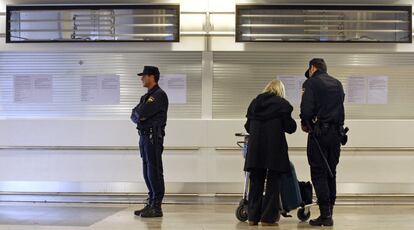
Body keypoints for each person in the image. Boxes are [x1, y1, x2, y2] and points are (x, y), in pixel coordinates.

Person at [244, 80, 297, 226]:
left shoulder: (254, 103)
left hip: (256, 150)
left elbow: (248, 127)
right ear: (280, 90)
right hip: (274, 149)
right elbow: (290, 127)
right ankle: (268, 218)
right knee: (273, 183)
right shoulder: (282, 104)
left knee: (256, 182)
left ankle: (253, 217)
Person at [300, 58, 345, 226]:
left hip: (320, 133)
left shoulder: (311, 83)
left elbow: (306, 109)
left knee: (318, 173)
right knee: (331, 172)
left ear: (313, 68)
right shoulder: (337, 83)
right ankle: (329, 213)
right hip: (336, 134)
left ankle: (325, 215)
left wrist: (306, 124)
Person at [130, 66, 169, 218]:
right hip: (144, 136)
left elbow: (141, 113)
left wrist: (141, 116)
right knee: (147, 171)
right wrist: (140, 116)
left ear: (152, 77)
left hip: (153, 137)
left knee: (154, 171)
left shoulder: (158, 95)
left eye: (144, 76)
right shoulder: (146, 97)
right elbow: (135, 115)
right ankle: (151, 202)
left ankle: (157, 207)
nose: (141, 79)